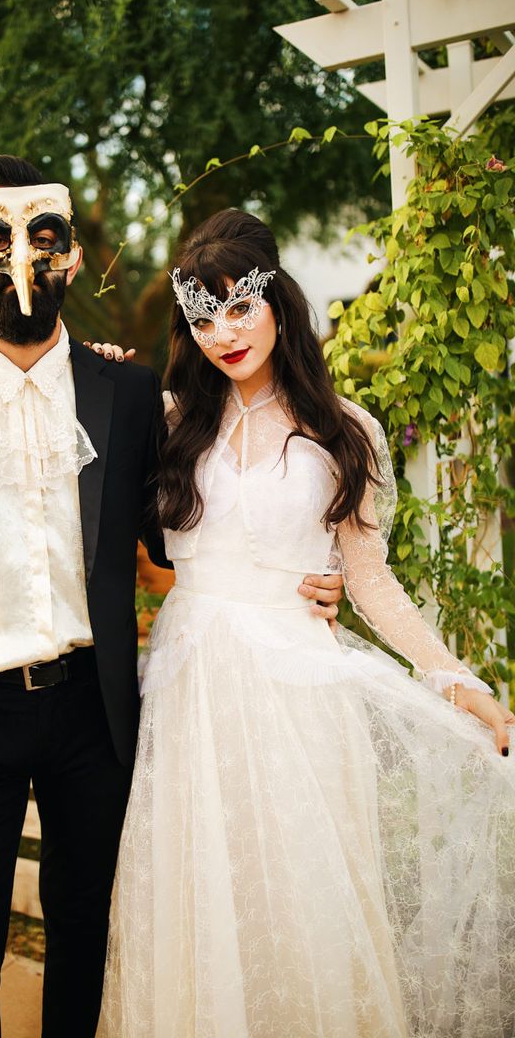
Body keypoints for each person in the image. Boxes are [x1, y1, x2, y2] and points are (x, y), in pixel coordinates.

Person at [0, 160, 342, 1038]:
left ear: (67, 259)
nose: (17, 262)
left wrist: (295, 580)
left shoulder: (127, 392)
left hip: (90, 715)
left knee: (85, 939)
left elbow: (176, 525)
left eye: (41, 240)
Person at [97, 209, 515, 1038]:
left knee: (304, 895)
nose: (224, 333)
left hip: (296, 694)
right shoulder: (174, 421)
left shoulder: (341, 429)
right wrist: (98, 376)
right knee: (201, 893)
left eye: (240, 307)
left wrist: (456, 680)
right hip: (189, 697)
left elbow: (369, 581)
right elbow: (130, 536)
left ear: (277, 304)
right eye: (203, 317)